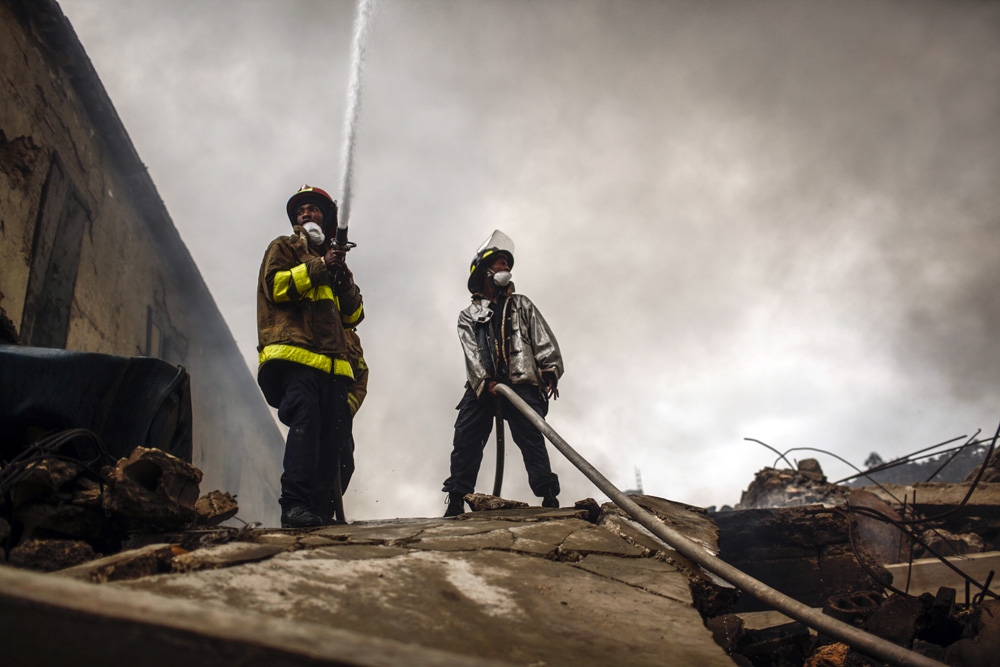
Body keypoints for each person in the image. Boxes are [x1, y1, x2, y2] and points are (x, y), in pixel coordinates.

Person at [256, 185, 364, 528]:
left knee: (337, 444)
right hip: (295, 357)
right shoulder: (284, 247)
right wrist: (318, 267)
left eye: (314, 208)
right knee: (306, 426)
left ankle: (320, 511)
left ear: (326, 219)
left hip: (333, 365)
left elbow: (353, 316)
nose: (306, 212)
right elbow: (275, 287)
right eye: (301, 209)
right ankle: (295, 507)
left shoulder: (335, 264)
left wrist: (341, 276)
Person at [442, 230, 563, 517]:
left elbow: (542, 338)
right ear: (485, 271)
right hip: (484, 386)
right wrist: (486, 381)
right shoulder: (468, 315)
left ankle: (548, 496)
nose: (506, 268)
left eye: (507, 264)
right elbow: (471, 352)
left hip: (521, 383)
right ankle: (457, 499)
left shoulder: (522, 304)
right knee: (466, 438)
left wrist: (550, 369)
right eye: (500, 263)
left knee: (532, 436)